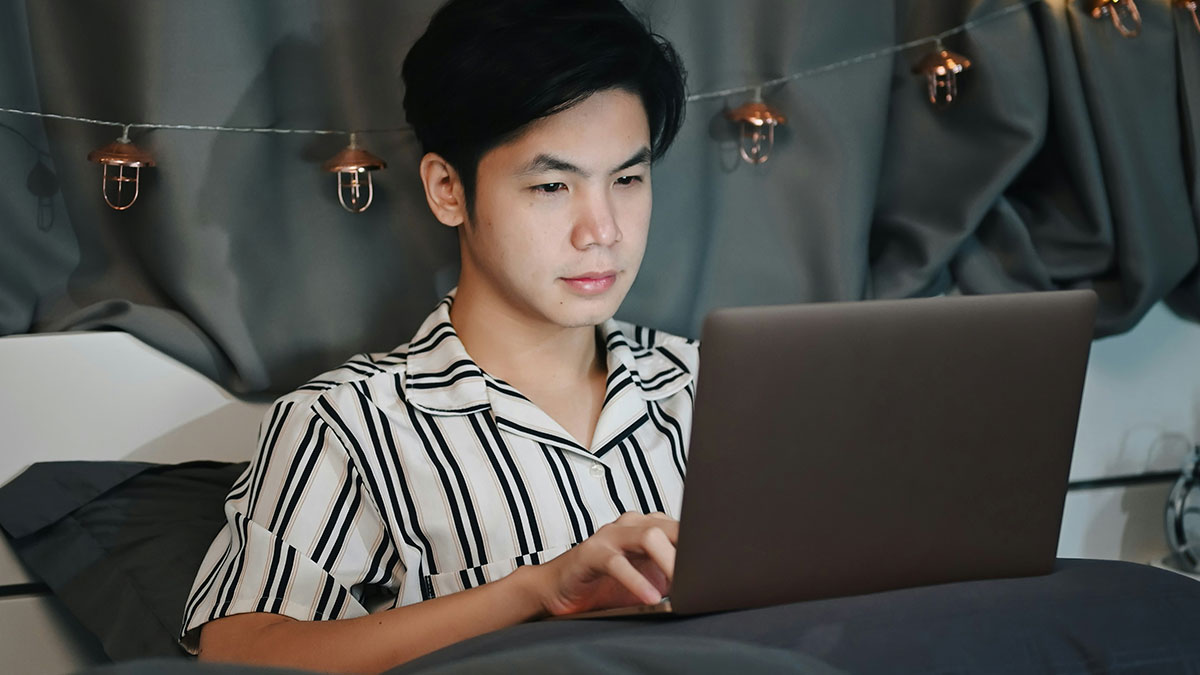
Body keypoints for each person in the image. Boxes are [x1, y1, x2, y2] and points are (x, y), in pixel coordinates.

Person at [182, 0, 692, 671]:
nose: (602, 230)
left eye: (627, 178)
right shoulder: (348, 424)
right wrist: (536, 590)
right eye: (551, 186)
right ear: (448, 189)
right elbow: (238, 652)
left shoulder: (707, 384)